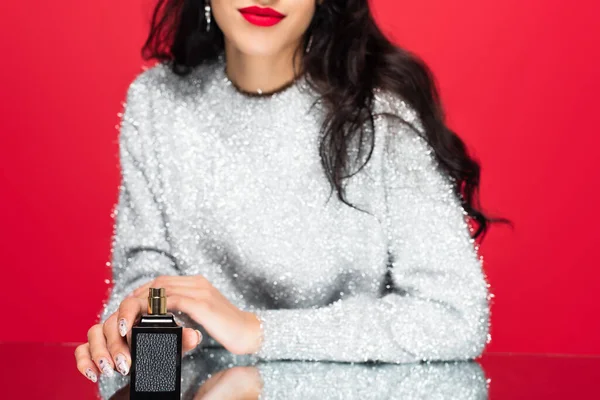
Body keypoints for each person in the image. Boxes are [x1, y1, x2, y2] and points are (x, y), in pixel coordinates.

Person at [74, 0, 511, 383]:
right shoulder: (157, 103)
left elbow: (455, 316)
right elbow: (145, 273)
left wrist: (256, 330)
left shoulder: (380, 114)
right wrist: (136, 327)